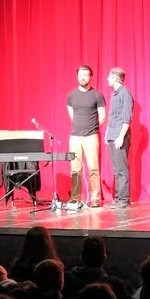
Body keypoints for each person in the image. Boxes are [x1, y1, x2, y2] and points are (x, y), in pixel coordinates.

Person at [67, 65, 106, 206]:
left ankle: (95, 198)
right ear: (77, 76)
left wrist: (92, 129)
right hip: (75, 137)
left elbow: (102, 116)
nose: (82, 77)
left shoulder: (97, 95)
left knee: (93, 168)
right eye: (80, 75)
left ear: (90, 77)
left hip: (91, 136)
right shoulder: (71, 96)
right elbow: (72, 116)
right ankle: (75, 197)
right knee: (75, 168)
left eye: (86, 74)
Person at [105, 67, 133, 208]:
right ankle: (117, 198)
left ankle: (123, 199)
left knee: (122, 169)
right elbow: (112, 116)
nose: (107, 79)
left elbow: (126, 118)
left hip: (119, 136)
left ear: (115, 79)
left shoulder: (125, 94)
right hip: (112, 135)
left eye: (109, 77)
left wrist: (121, 137)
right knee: (116, 170)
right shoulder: (114, 95)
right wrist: (107, 134)